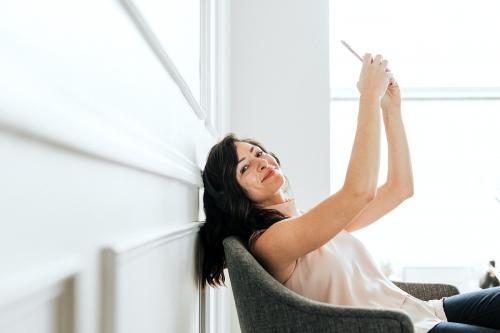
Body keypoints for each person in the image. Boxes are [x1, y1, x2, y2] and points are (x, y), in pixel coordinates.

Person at [198, 53, 500, 333]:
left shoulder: (308, 222)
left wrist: (390, 109)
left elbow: (400, 189)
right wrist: (368, 95)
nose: (261, 162)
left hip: (423, 312)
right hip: (405, 328)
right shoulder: (271, 242)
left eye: (259, 152)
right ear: (234, 194)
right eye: (244, 167)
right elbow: (359, 192)